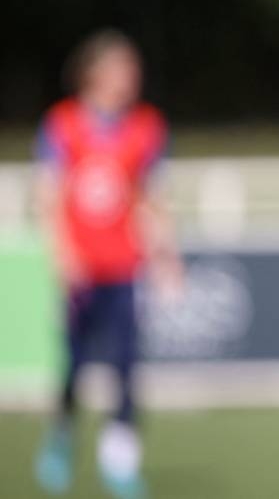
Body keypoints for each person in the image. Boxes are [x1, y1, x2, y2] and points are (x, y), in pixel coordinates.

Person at [33, 29, 184, 499]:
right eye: (122, 68)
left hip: (125, 266)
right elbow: (47, 195)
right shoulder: (62, 125)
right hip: (82, 269)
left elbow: (153, 198)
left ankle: (120, 460)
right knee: (75, 363)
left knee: (126, 364)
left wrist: (166, 254)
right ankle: (61, 434)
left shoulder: (146, 127)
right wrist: (62, 253)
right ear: (94, 73)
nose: (131, 78)